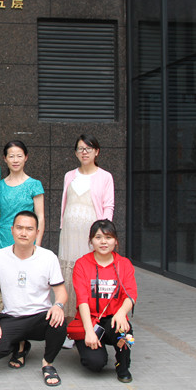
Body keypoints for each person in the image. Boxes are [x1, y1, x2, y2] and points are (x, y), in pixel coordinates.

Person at [0, 211, 67, 386]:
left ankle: (47, 363)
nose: (23, 233)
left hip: (40, 317)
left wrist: (58, 305)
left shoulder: (48, 257)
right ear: (12, 230)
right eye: (19, 228)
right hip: (11, 317)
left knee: (59, 322)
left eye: (29, 229)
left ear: (37, 232)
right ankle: (21, 346)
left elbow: (61, 292)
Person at [58, 134, 114, 326]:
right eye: (81, 149)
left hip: (91, 235)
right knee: (68, 275)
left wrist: (103, 234)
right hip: (69, 235)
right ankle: (69, 323)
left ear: (96, 152)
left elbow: (108, 206)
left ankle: (89, 321)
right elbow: (65, 204)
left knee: (88, 274)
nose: (84, 152)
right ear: (76, 152)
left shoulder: (105, 177)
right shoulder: (69, 175)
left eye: (88, 149)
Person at [72, 220, 136, 383]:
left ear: (116, 241)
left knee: (125, 331)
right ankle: (87, 348)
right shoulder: (81, 264)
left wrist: (121, 313)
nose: (103, 242)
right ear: (91, 241)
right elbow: (82, 300)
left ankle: (122, 365)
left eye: (108, 237)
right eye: (98, 237)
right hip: (90, 320)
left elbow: (131, 295)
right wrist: (89, 331)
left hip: (113, 319)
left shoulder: (124, 264)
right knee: (95, 363)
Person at [0, 141, 45, 251]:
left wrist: (38, 244)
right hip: (3, 238)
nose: (15, 160)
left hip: (27, 238)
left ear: (26, 157)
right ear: (5, 159)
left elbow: (40, 217)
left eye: (19, 156)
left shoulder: (34, 185)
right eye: (11, 156)